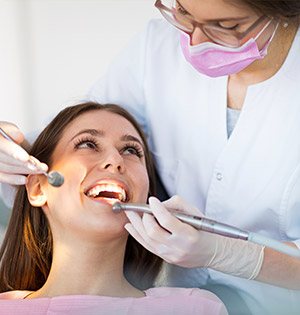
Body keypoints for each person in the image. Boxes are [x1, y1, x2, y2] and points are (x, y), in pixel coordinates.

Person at [0, 0, 300, 314]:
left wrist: (232, 254)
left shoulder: (195, 308)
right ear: (37, 187)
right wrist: (16, 150)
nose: (194, 43)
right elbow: (89, 124)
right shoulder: (156, 51)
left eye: (225, 26)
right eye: (183, 12)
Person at [0, 102, 227, 315]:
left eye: (131, 150)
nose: (115, 159)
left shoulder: (195, 309)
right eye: (88, 144)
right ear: (38, 188)